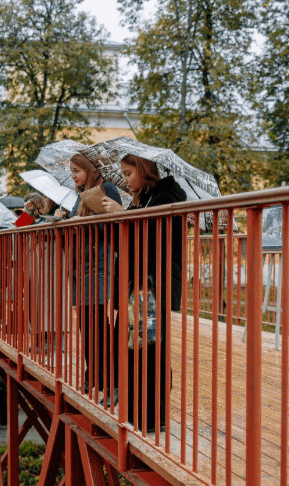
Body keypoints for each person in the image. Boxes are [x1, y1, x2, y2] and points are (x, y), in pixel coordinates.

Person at [101, 153, 186, 433]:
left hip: (150, 284)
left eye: (128, 174)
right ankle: (142, 413)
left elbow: (150, 237)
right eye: (122, 175)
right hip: (141, 283)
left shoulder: (166, 195)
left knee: (148, 347)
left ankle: (151, 417)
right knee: (140, 347)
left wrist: (123, 214)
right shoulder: (143, 199)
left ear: (144, 170)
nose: (124, 180)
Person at [67, 153, 122, 400]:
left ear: (89, 170)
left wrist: (85, 221)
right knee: (86, 323)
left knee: (98, 322)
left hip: (99, 263)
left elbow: (114, 226)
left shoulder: (106, 189)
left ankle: (112, 380)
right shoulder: (79, 195)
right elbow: (72, 221)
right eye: (71, 171)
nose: (73, 175)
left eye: (77, 170)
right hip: (81, 265)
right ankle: (94, 375)